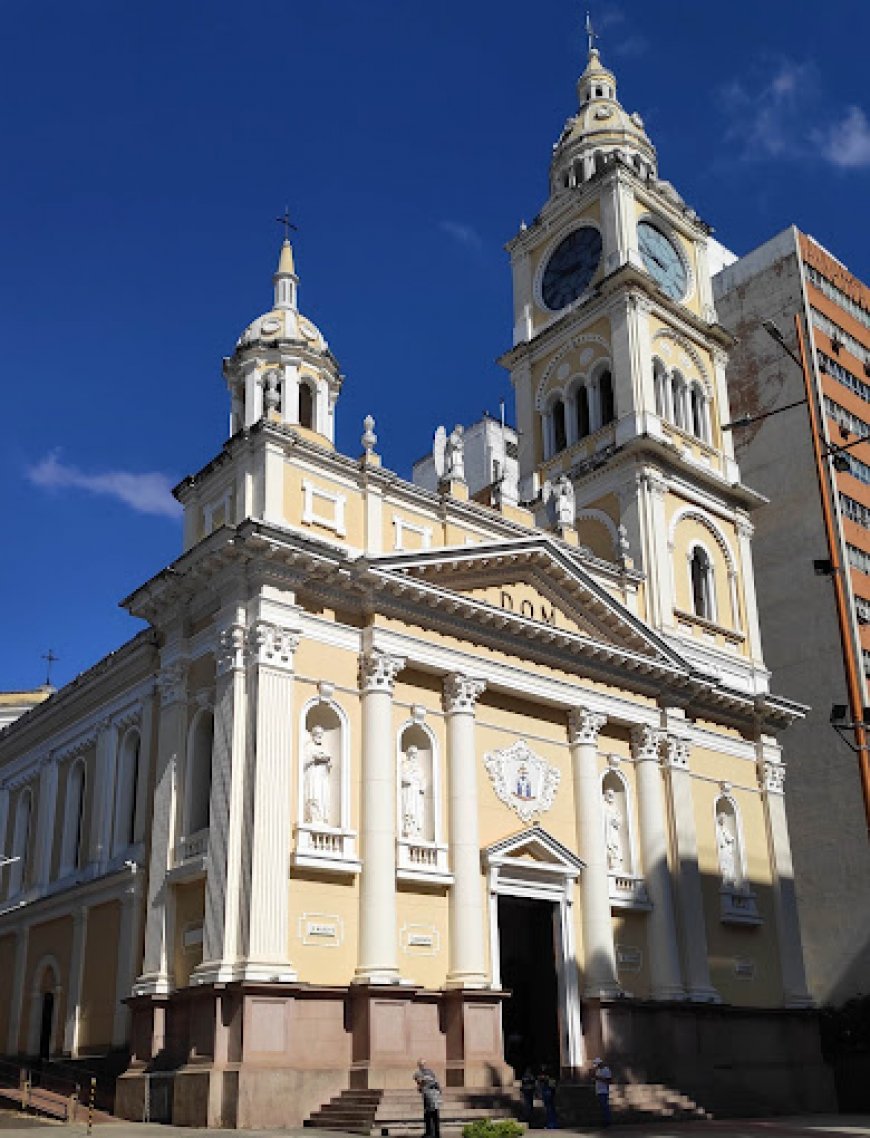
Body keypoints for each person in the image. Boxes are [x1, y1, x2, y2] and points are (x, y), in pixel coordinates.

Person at [414, 1058, 441, 1138]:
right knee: (435, 1114)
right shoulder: (431, 1072)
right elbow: (437, 1083)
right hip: (435, 1095)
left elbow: (420, 1083)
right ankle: (436, 1133)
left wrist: (420, 1088)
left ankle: (430, 1133)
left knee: (429, 1114)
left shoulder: (419, 1073)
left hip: (428, 1095)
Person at [591, 1057, 612, 1128]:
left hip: (604, 1091)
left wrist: (598, 1078)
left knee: (605, 1106)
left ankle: (607, 1121)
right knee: (601, 1107)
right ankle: (603, 1120)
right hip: (598, 1091)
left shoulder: (606, 1070)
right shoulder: (598, 1070)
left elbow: (608, 1080)